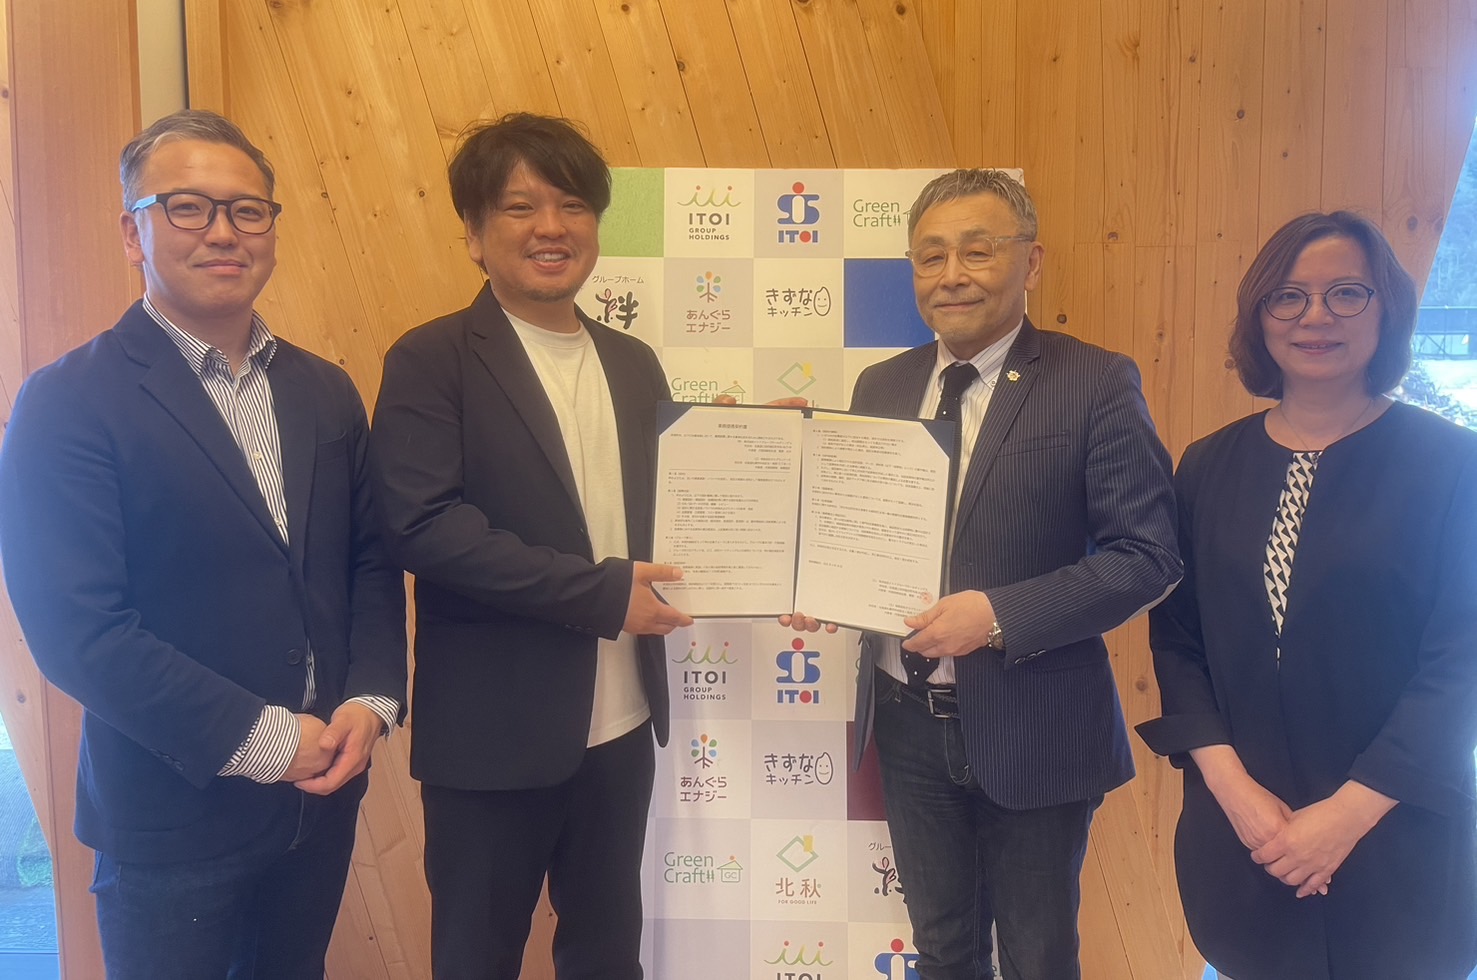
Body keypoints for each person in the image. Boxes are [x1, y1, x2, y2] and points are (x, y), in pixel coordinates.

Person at [0, 109, 407, 979]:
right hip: (170, 822)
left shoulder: (324, 390)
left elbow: (367, 561)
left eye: (247, 210)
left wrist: (371, 700)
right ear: (133, 233)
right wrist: (268, 741)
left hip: (319, 804)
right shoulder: (67, 402)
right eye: (187, 207)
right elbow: (79, 631)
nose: (224, 232)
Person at [789, 168, 1180, 980]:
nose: (951, 275)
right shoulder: (881, 385)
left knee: (1037, 959)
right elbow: (862, 533)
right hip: (904, 721)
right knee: (942, 953)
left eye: (977, 251)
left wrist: (996, 616)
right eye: (929, 256)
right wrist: (821, 585)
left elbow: (1147, 556)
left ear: (1030, 263)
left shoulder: (1094, 381)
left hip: (1035, 721)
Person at [369, 113, 693, 980]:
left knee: (606, 956)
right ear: (474, 235)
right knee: (476, 959)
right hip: (492, 733)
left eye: (572, 205)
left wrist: (756, 466)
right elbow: (423, 525)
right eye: (520, 207)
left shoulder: (633, 362)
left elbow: (666, 506)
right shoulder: (431, 358)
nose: (551, 227)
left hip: (620, 724)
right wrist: (601, 595)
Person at [1138, 211, 1477, 980]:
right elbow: (1178, 640)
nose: (1314, 316)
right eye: (1286, 296)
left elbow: (1460, 660)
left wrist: (1344, 818)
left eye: (1345, 293)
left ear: (1386, 309)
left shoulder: (1453, 464)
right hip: (1246, 832)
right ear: (1258, 318)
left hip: (1398, 829)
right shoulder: (1206, 463)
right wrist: (1235, 795)